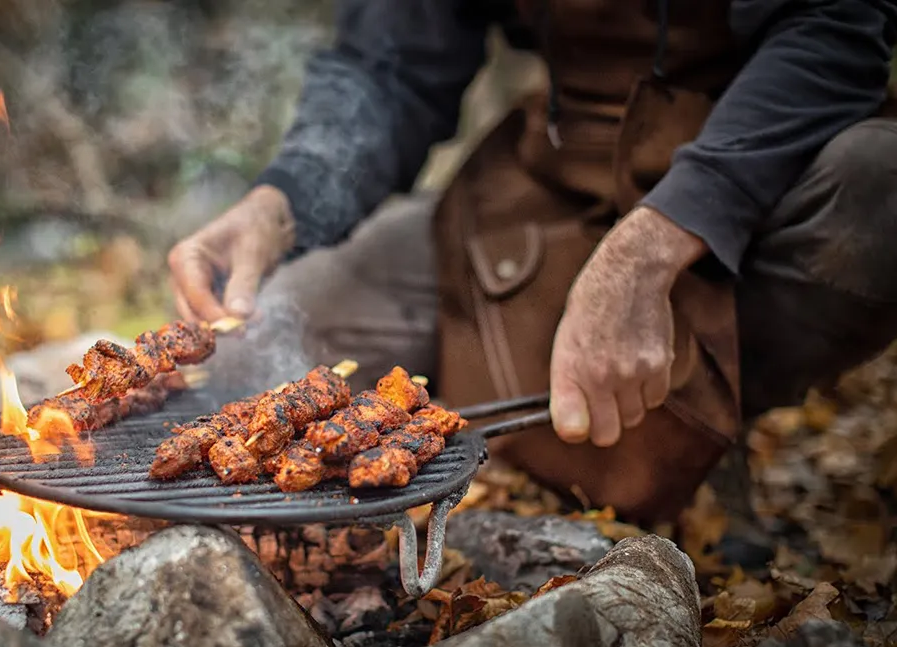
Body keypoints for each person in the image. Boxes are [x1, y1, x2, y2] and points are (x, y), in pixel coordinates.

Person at [168, 0, 897, 541]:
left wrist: (652, 247)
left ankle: (715, 424)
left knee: (881, 186)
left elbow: (837, 27)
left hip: (769, 175)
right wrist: (284, 200)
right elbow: (387, 63)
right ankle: (491, 391)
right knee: (259, 334)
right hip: (546, 183)